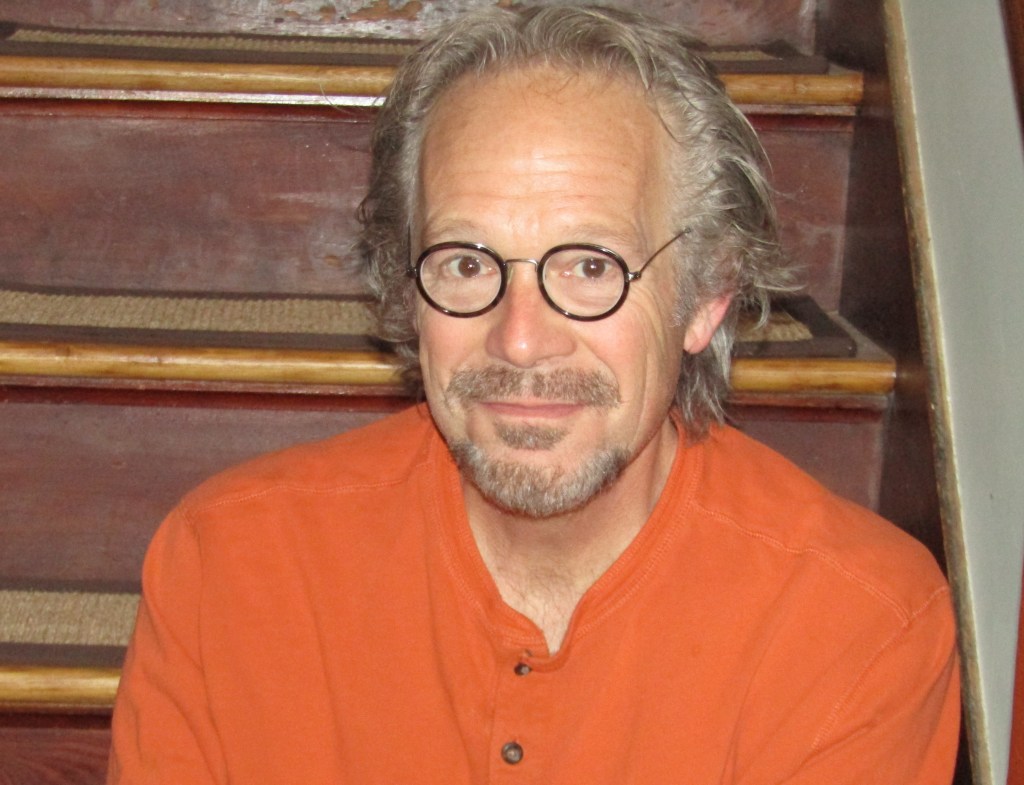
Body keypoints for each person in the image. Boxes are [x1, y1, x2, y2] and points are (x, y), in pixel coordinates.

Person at [108, 5, 960, 783]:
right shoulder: (229, 567)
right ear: (407, 291)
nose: (520, 338)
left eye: (591, 266)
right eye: (466, 263)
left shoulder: (856, 621)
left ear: (707, 295)